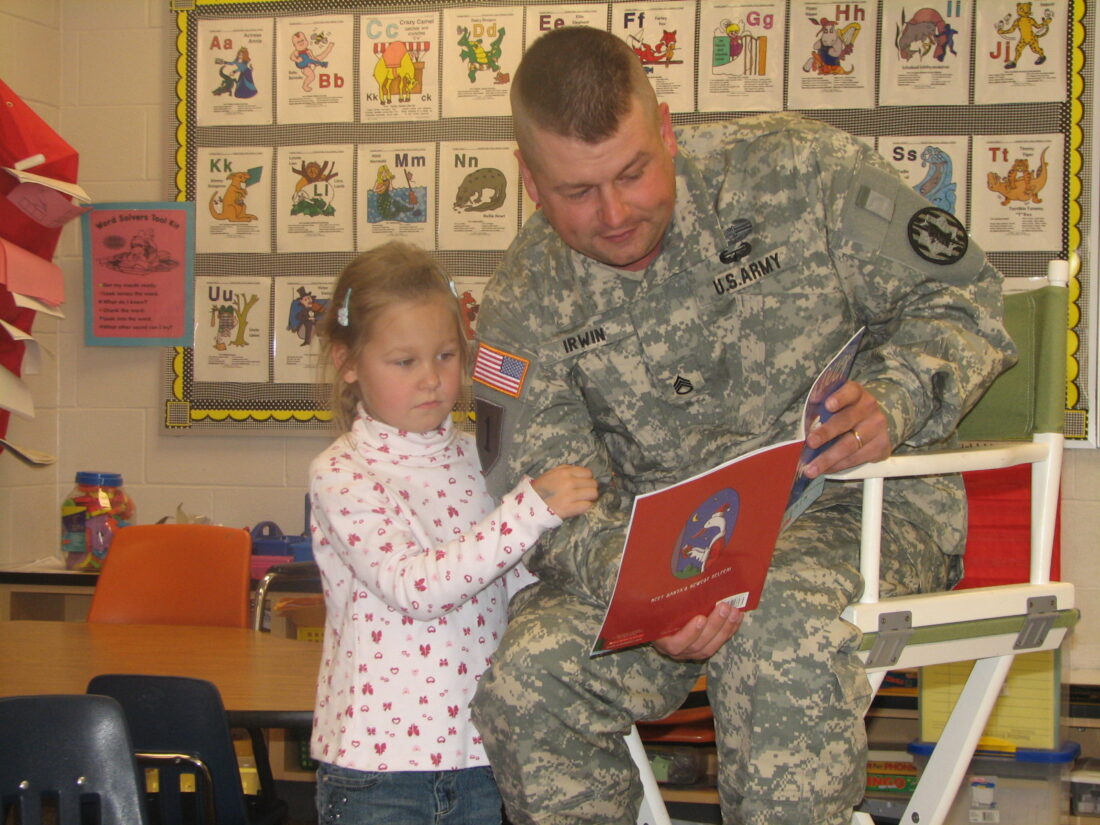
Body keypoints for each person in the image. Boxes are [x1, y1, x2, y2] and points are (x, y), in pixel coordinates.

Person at [468, 26, 1016, 825]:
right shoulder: (523, 298)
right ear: (528, 180)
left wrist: (893, 397)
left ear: (667, 129)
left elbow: (965, 295)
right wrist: (656, 593)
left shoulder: (800, 171)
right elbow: (544, 500)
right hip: (655, 556)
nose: (615, 213)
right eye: (578, 192)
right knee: (529, 677)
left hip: (847, 511)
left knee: (776, 622)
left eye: (634, 172)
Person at [308, 240, 598, 825]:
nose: (432, 380)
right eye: (404, 361)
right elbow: (418, 588)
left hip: (484, 755)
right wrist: (531, 509)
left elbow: (508, 579)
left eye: (445, 355)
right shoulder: (342, 473)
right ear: (347, 363)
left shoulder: (478, 458)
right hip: (379, 770)